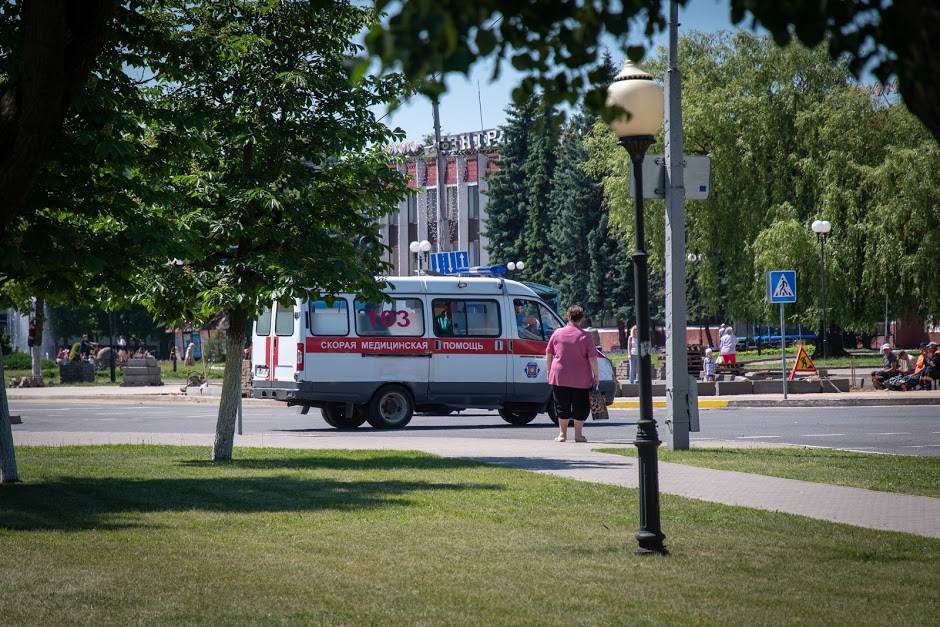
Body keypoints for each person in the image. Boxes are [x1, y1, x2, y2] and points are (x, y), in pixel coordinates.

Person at [546, 305, 598, 443]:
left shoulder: (557, 333)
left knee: (561, 404)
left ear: (568, 317)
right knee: (579, 405)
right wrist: (596, 375)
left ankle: (562, 434)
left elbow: (549, 353)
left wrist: (548, 370)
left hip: (559, 375)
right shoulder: (586, 336)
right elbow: (592, 358)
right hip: (581, 377)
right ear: (581, 319)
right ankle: (578, 435)